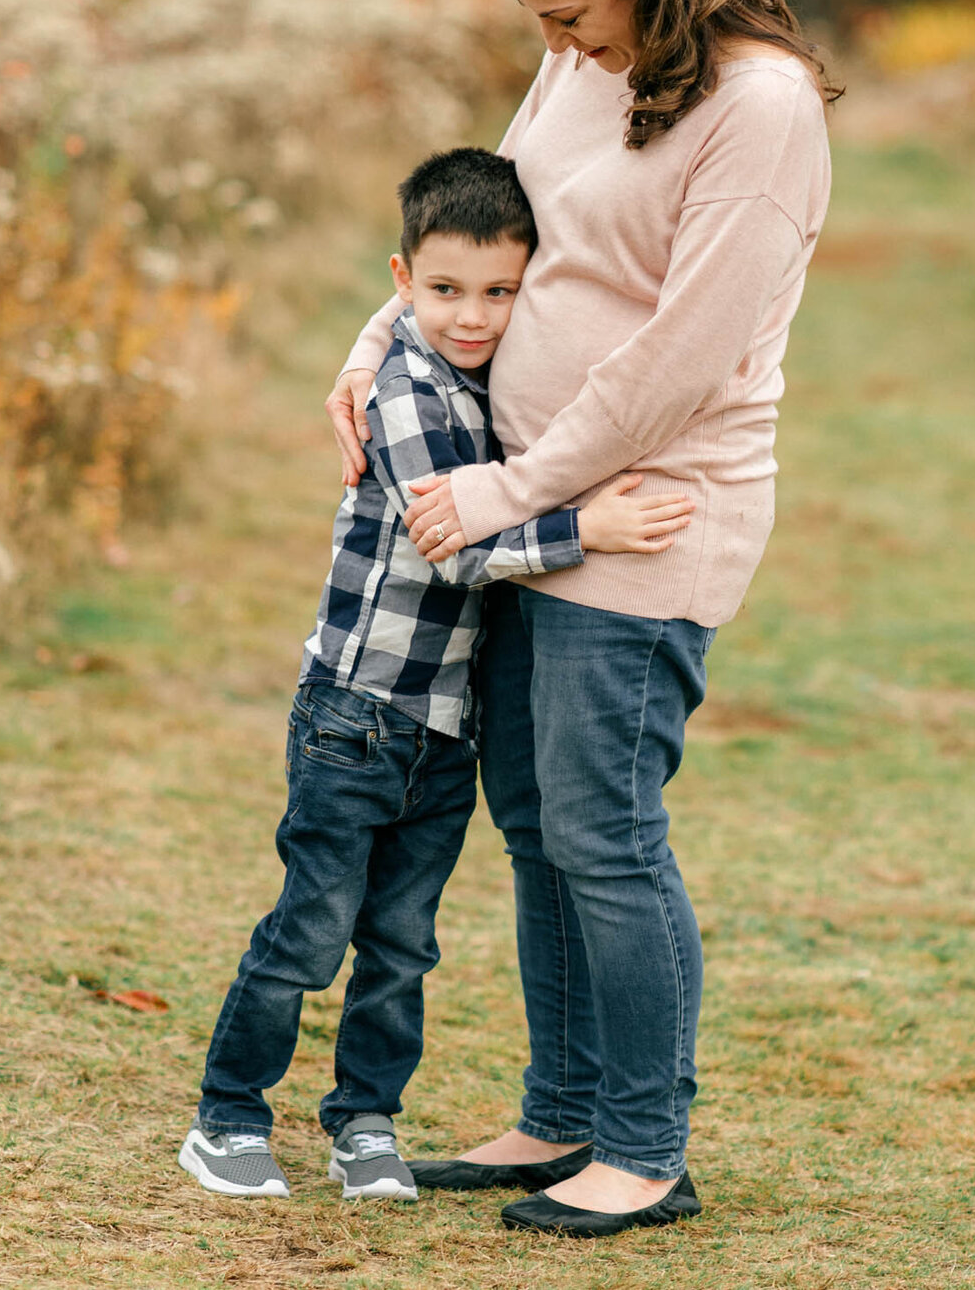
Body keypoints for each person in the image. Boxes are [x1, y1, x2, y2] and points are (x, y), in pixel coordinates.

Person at [326, 0, 837, 1236]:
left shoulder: (763, 108)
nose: (556, 40)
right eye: (538, 17)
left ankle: (642, 1146)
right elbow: (493, 210)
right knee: (537, 816)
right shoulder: (578, 59)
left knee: (605, 827)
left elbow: (682, 358)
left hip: (652, 508)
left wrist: (501, 491)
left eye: (571, 11)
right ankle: (559, 1113)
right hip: (549, 499)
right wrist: (379, 342)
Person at [178, 146, 693, 1202]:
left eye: (501, 291)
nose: (473, 315)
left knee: (404, 945)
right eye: (447, 289)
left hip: (439, 727)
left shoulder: (483, 377)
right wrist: (584, 526)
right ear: (402, 278)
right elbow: (452, 544)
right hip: (356, 716)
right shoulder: (407, 392)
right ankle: (228, 1115)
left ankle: (365, 1121)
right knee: (313, 929)